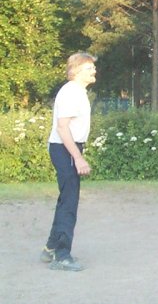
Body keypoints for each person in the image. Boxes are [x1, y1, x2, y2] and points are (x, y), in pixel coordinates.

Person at [40, 52, 97, 271]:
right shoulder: (71, 92)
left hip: (68, 148)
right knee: (70, 202)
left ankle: (51, 248)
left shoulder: (78, 92)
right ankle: (62, 256)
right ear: (76, 71)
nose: (94, 70)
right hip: (65, 148)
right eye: (89, 67)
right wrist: (78, 157)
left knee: (66, 199)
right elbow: (62, 128)